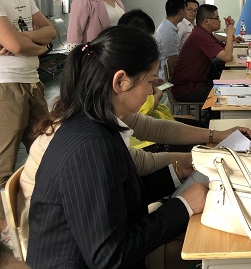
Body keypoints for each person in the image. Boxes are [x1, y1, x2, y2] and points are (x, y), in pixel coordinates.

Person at [26, 26, 208, 268]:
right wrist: (183, 206)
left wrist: (176, 173)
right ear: (120, 81)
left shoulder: (93, 124)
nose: (151, 92)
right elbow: (110, 257)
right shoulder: (91, 146)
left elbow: (115, 196)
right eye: (149, 81)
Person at [0, 0, 57, 233]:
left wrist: (25, 41)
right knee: (4, 163)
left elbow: (50, 33)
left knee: (47, 149)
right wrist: (29, 43)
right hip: (6, 86)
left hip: (32, 82)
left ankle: (38, 217)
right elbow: (17, 44)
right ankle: (6, 232)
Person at [171, 4, 235, 102]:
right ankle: (211, 112)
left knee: (231, 87)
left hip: (198, 82)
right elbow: (227, 57)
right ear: (206, 21)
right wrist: (230, 34)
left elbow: (224, 50)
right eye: (217, 18)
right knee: (228, 96)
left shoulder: (204, 33)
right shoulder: (200, 35)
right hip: (188, 88)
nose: (220, 21)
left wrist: (229, 29)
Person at [154, 0, 186, 79]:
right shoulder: (167, 31)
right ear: (181, 11)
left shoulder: (169, 27)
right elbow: (171, 62)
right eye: (186, 9)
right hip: (165, 78)